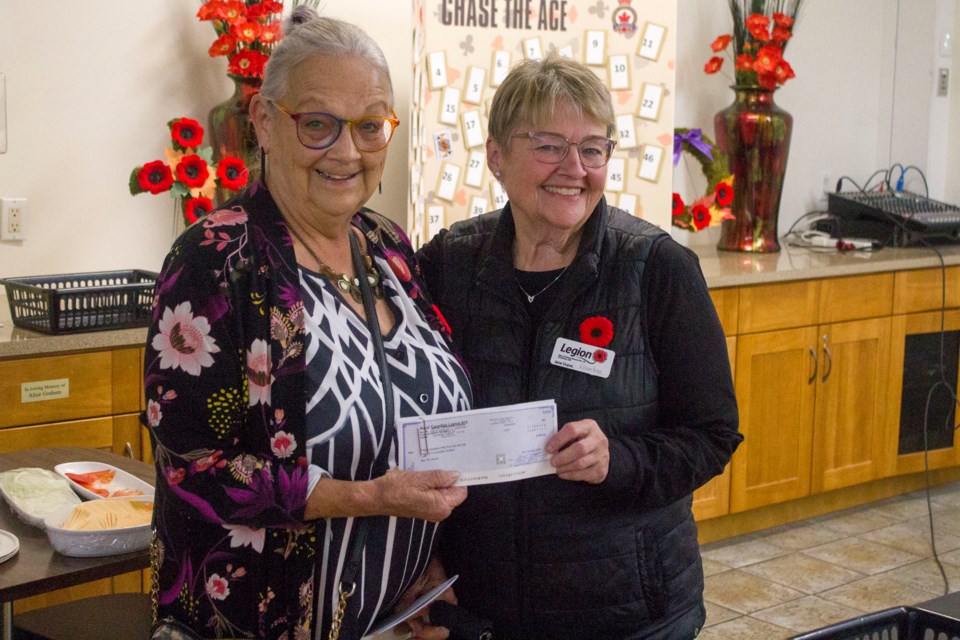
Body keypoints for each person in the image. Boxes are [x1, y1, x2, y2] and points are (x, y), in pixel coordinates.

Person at [142, 8, 471, 640]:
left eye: (370, 126)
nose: (346, 152)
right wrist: (369, 499)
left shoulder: (389, 248)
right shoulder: (216, 260)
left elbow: (407, 414)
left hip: (387, 623)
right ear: (265, 122)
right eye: (317, 124)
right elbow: (194, 466)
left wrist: (418, 560)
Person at [416, 54, 742, 639]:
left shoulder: (657, 269)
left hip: (625, 614)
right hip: (479, 610)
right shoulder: (445, 266)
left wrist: (618, 460)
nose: (575, 168)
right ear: (495, 156)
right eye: (548, 145)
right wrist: (420, 563)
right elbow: (410, 421)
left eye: (593, 148)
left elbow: (712, 434)